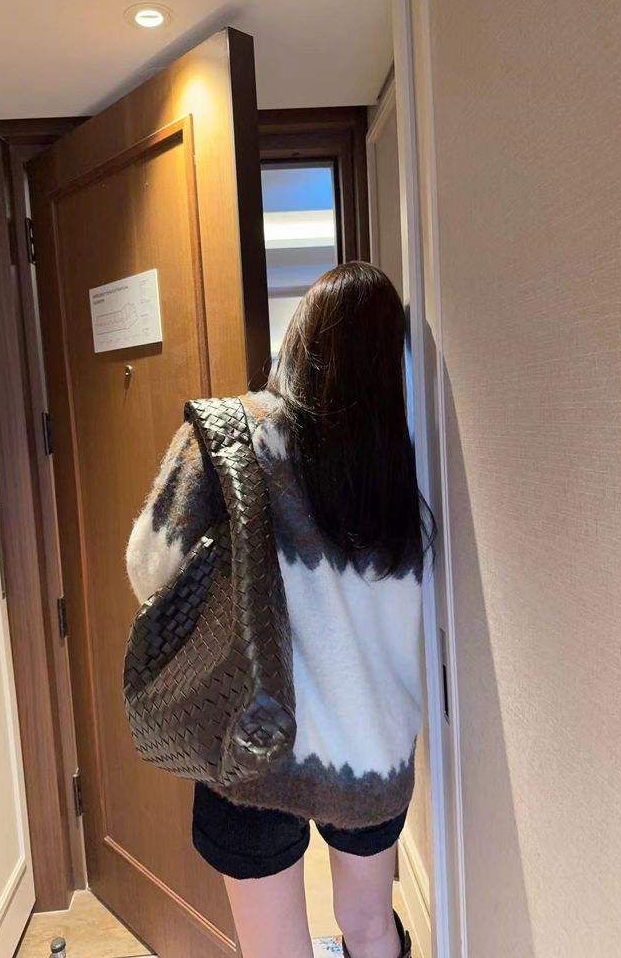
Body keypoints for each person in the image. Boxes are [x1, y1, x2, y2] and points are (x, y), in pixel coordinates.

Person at [125, 262, 436, 958]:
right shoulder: (404, 465)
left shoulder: (232, 435)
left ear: (301, 339)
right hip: (374, 747)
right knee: (370, 928)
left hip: (256, 746)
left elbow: (149, 568)